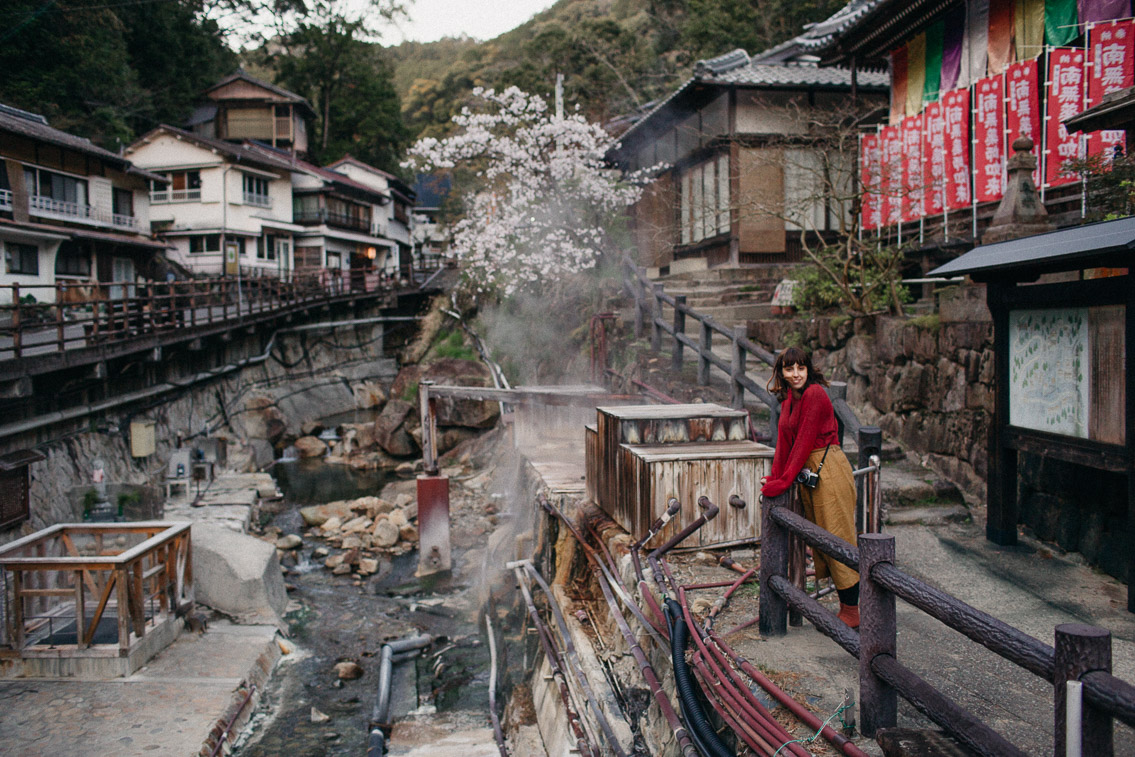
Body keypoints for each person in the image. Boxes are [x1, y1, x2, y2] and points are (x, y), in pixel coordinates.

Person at [760, 346, 860, 628]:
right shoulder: (788, 402)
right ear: (781, 372)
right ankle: (848, 608)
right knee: (822, 538)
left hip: (828, 467)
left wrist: (784, 481)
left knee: (837, 535)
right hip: (809, 471)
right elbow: (784, 445)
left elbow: (803, 442)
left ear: (808, 369)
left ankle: (852, 610)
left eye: (800, 368)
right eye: (789, 369)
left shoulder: (815, 394)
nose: (795, 375)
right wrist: (775, 478)